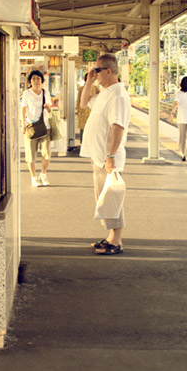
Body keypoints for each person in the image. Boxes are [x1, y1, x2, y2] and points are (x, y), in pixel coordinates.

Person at [80, 53, 130, 255]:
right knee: (104, 198)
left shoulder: (117, 95)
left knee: (112, 198)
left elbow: (118, 127)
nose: (95, 74)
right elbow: (84, 104)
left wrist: (111, 156)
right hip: (99, 156)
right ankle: (111, 236)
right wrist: (89, 81)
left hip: (108, 157)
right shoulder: (105, 92)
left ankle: (116, 240)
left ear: (108, 71)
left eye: (98, 71)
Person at [21, 70, 52, 187]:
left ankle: (43, 175)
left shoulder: (45, 93)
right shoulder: (26, 93)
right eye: (33, 79)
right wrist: (23, 124)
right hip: (31, 127)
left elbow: (49, 110)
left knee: (47, 154)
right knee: (30, 155)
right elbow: (23, 109)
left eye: (38, 79)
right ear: (30, 81)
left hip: (45, 127)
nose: (36, 81)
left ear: (42, 81)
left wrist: (48, 108)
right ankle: (33, 177)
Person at [76, 72, 99, 141]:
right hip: (83, 110)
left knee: (92, 126)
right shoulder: (81, 88)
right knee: (83, 127)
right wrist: (78, 109)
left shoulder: (96, 88)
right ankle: (83, 140)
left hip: (92, 110)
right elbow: (78, 100)